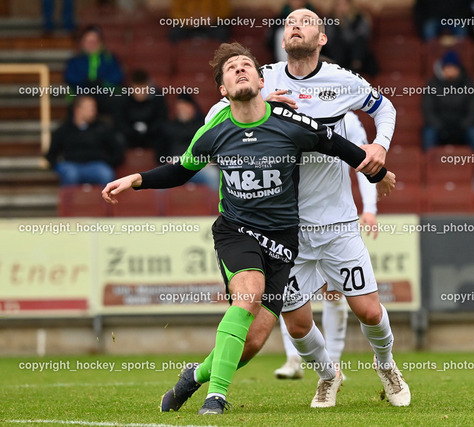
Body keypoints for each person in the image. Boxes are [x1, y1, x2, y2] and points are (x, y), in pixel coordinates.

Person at [101, 42, 395, 415]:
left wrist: (380, 174)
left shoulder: (292, 123)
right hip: (236, 230)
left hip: (283, 239)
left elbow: (339, 146)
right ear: (222, 90)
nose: (240, 70)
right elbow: (180, 170)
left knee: (253, 341)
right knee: (248, 295)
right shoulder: (214, 131)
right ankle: (215, 397)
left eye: (246, 65)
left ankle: (195, 376)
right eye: (231, 69)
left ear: (260, 78)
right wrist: (136, 179)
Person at [168, 8, 410, 409]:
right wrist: (257, 103)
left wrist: (379, 148)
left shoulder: (342, 81)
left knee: (367, 311)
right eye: (291, 22)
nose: (296, 25)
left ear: (322, 38)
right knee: (297, 323)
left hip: (335, 221)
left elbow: (385, 108)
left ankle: (386, 364)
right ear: (283, 39)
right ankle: (328, 375)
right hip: (286, 227)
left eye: (308, 21)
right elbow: (216, 115)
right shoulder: (262, 78)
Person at [274, 110, 379, 380]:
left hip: (334, 224)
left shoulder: (347, 119)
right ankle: (293, 358)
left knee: (334, 294)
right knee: (291, 297)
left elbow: (364, 160)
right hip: (292, 224)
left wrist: (369, 208)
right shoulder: (283, 112)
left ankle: (333, 360)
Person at [46, 95, 124, 186]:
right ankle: (69, 200)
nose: (93, 110)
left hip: (96, 165)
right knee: (70, 174)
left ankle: (106, 200)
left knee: (105, 174)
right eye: (89, 107)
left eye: (94, 107)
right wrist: (60, 166)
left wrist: (108, 162)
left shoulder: (102, 128)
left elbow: (117, 149)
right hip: (72, 165)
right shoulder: (64, 130)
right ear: (77, 110)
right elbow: (51, 154)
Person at [422, 50, 474, 151]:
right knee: (429, 134)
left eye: (453, 67)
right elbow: (428, 110)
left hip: (462, 126)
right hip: (440, 126)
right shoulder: (432, 84)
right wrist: (441, 126)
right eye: (447, 67)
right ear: (442, 69)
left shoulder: (469, 84)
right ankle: (428, 163)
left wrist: (460, 126)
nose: (450, 70)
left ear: (458, 69)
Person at [159, 93, 220, 192]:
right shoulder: (168, 127)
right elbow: (161, 150)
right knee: (161, 180)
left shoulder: (204, 125)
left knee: (213, 175)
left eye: (185, 107)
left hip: (200, 165)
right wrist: (166, 160)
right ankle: (160, 208)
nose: (182, 111)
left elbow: (215, 146)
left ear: (192, 107)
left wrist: (210, 160)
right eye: (180, 108)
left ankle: (218, 207)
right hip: (176, 164)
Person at [64, 25, 124, 115]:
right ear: (82, 42)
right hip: (82, 94)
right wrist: (86, 83)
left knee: (118, 100)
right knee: (79, 103)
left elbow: (118, 76)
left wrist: (102, 84)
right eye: (88, 41)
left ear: (100, 42)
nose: (91, 44)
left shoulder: (109, 58)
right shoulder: (75, 60)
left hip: (104, 94)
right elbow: (70, 77)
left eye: (94, 41)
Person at [115, 69, 167, 154]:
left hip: (152, 135)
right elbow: (119, 121)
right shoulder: (122, 98)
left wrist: (148, 130)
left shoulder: (158, 97)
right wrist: (132, 132)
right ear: (131, 87)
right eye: (137, 89)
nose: (140, 92)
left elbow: (161, 120)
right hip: (129, 136)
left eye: (143, 88)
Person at [323, 0, 378, 76]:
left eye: (345, 5)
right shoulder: (331, 20)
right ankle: (339, 68)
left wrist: (346, 22)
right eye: (339, 5)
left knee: (359, 41)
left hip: (355, 52)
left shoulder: (359, 18)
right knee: (336, 43)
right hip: (338, 54)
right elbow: (329, 39)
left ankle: (355, 66)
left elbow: (364, 35)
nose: (342, 8)